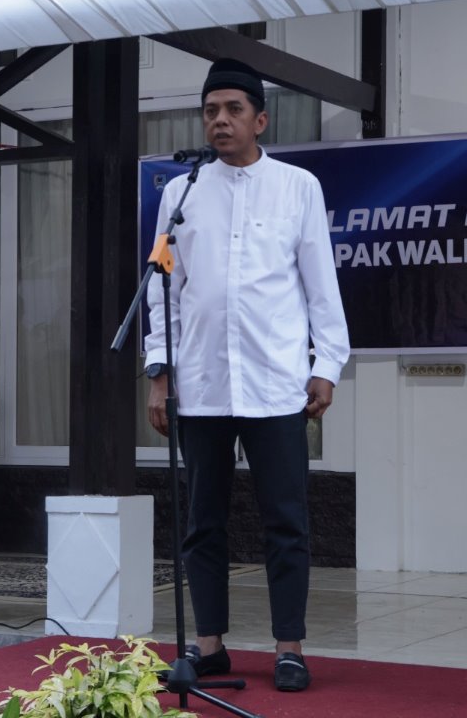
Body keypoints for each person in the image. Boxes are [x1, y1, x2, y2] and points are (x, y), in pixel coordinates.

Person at [143, 58, 349, 693]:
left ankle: (289, 647)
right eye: (211, 111)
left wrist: (326, 365)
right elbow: (162, 291)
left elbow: (320, 284)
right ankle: (209, 646)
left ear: (260, 120)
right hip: (201, 385)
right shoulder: (179, 195)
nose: (220, 121)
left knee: (286, 521)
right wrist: (159, 372)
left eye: (233, 110)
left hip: (275, 384)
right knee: (201, 522)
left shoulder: (297, 187)